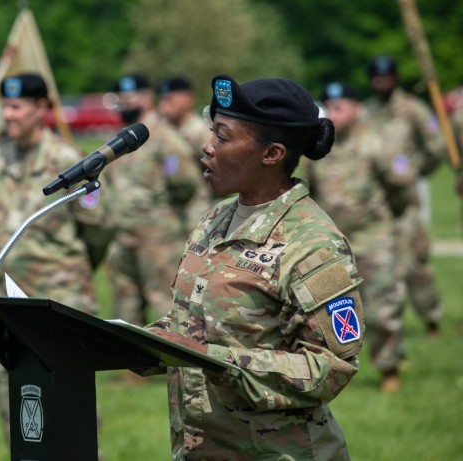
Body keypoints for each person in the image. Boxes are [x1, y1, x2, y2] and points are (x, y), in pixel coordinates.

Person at [142, 75, 365, 459]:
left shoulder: (312, 243)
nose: (208, 147)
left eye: (223, 138)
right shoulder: (216, 219)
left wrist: (218, 361)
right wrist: (131, 342)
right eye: (212, 132)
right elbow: (192, 327)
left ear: (272, 154)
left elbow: (330, 368)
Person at [0, 73, 106, 443]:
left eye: (17, 106)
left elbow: (98, 229)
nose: (9, 115)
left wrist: (73, 272)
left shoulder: (69, 163)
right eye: (5, 106)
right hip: (6, 300)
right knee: (13, 395)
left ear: (42, 109)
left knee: (69, 398)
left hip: (61, 298)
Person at [306, 82, 414, 392]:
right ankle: (332, 373)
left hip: (373, 237)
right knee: (330, 311)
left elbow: (401, 185)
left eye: (340, 106)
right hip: (332, 243)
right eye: (330, 106)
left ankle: (389, 368)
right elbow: (309, 190)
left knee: (382, 307)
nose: (334, 112)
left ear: (356, 108)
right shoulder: (321, 146)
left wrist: (386, 220)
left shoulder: (377, 143)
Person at [105, 74, 202, 326]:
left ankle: (174, 364)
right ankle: (128, 366)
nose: (126, 103)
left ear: (148, 98)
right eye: (121, 99)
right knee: (125, 308)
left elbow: (185, 181)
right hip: (123, 235)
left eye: (133, 96)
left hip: (159, 238)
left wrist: (163, 213)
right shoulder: (118, 139)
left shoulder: (162, 135)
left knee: (164, 306)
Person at [363, 55, 446, 337]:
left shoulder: (413, 109)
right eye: (377, 77)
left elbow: (435, 146)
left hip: (407, 201)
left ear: (396, 78)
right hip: (377, 203)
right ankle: (384, 325)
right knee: (378, 266)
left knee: (415, 265)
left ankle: (431, 319)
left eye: (386, 77)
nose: (381, 82)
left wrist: (417, 172)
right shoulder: (366, 112)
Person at [158, 76, 218, 231]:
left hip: (196, 212)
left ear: (187, 98)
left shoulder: (199, 131)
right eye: (163, 100)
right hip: (171, 212)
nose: (165, 105)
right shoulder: (165, 130)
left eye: (170, 99)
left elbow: (219, 168)